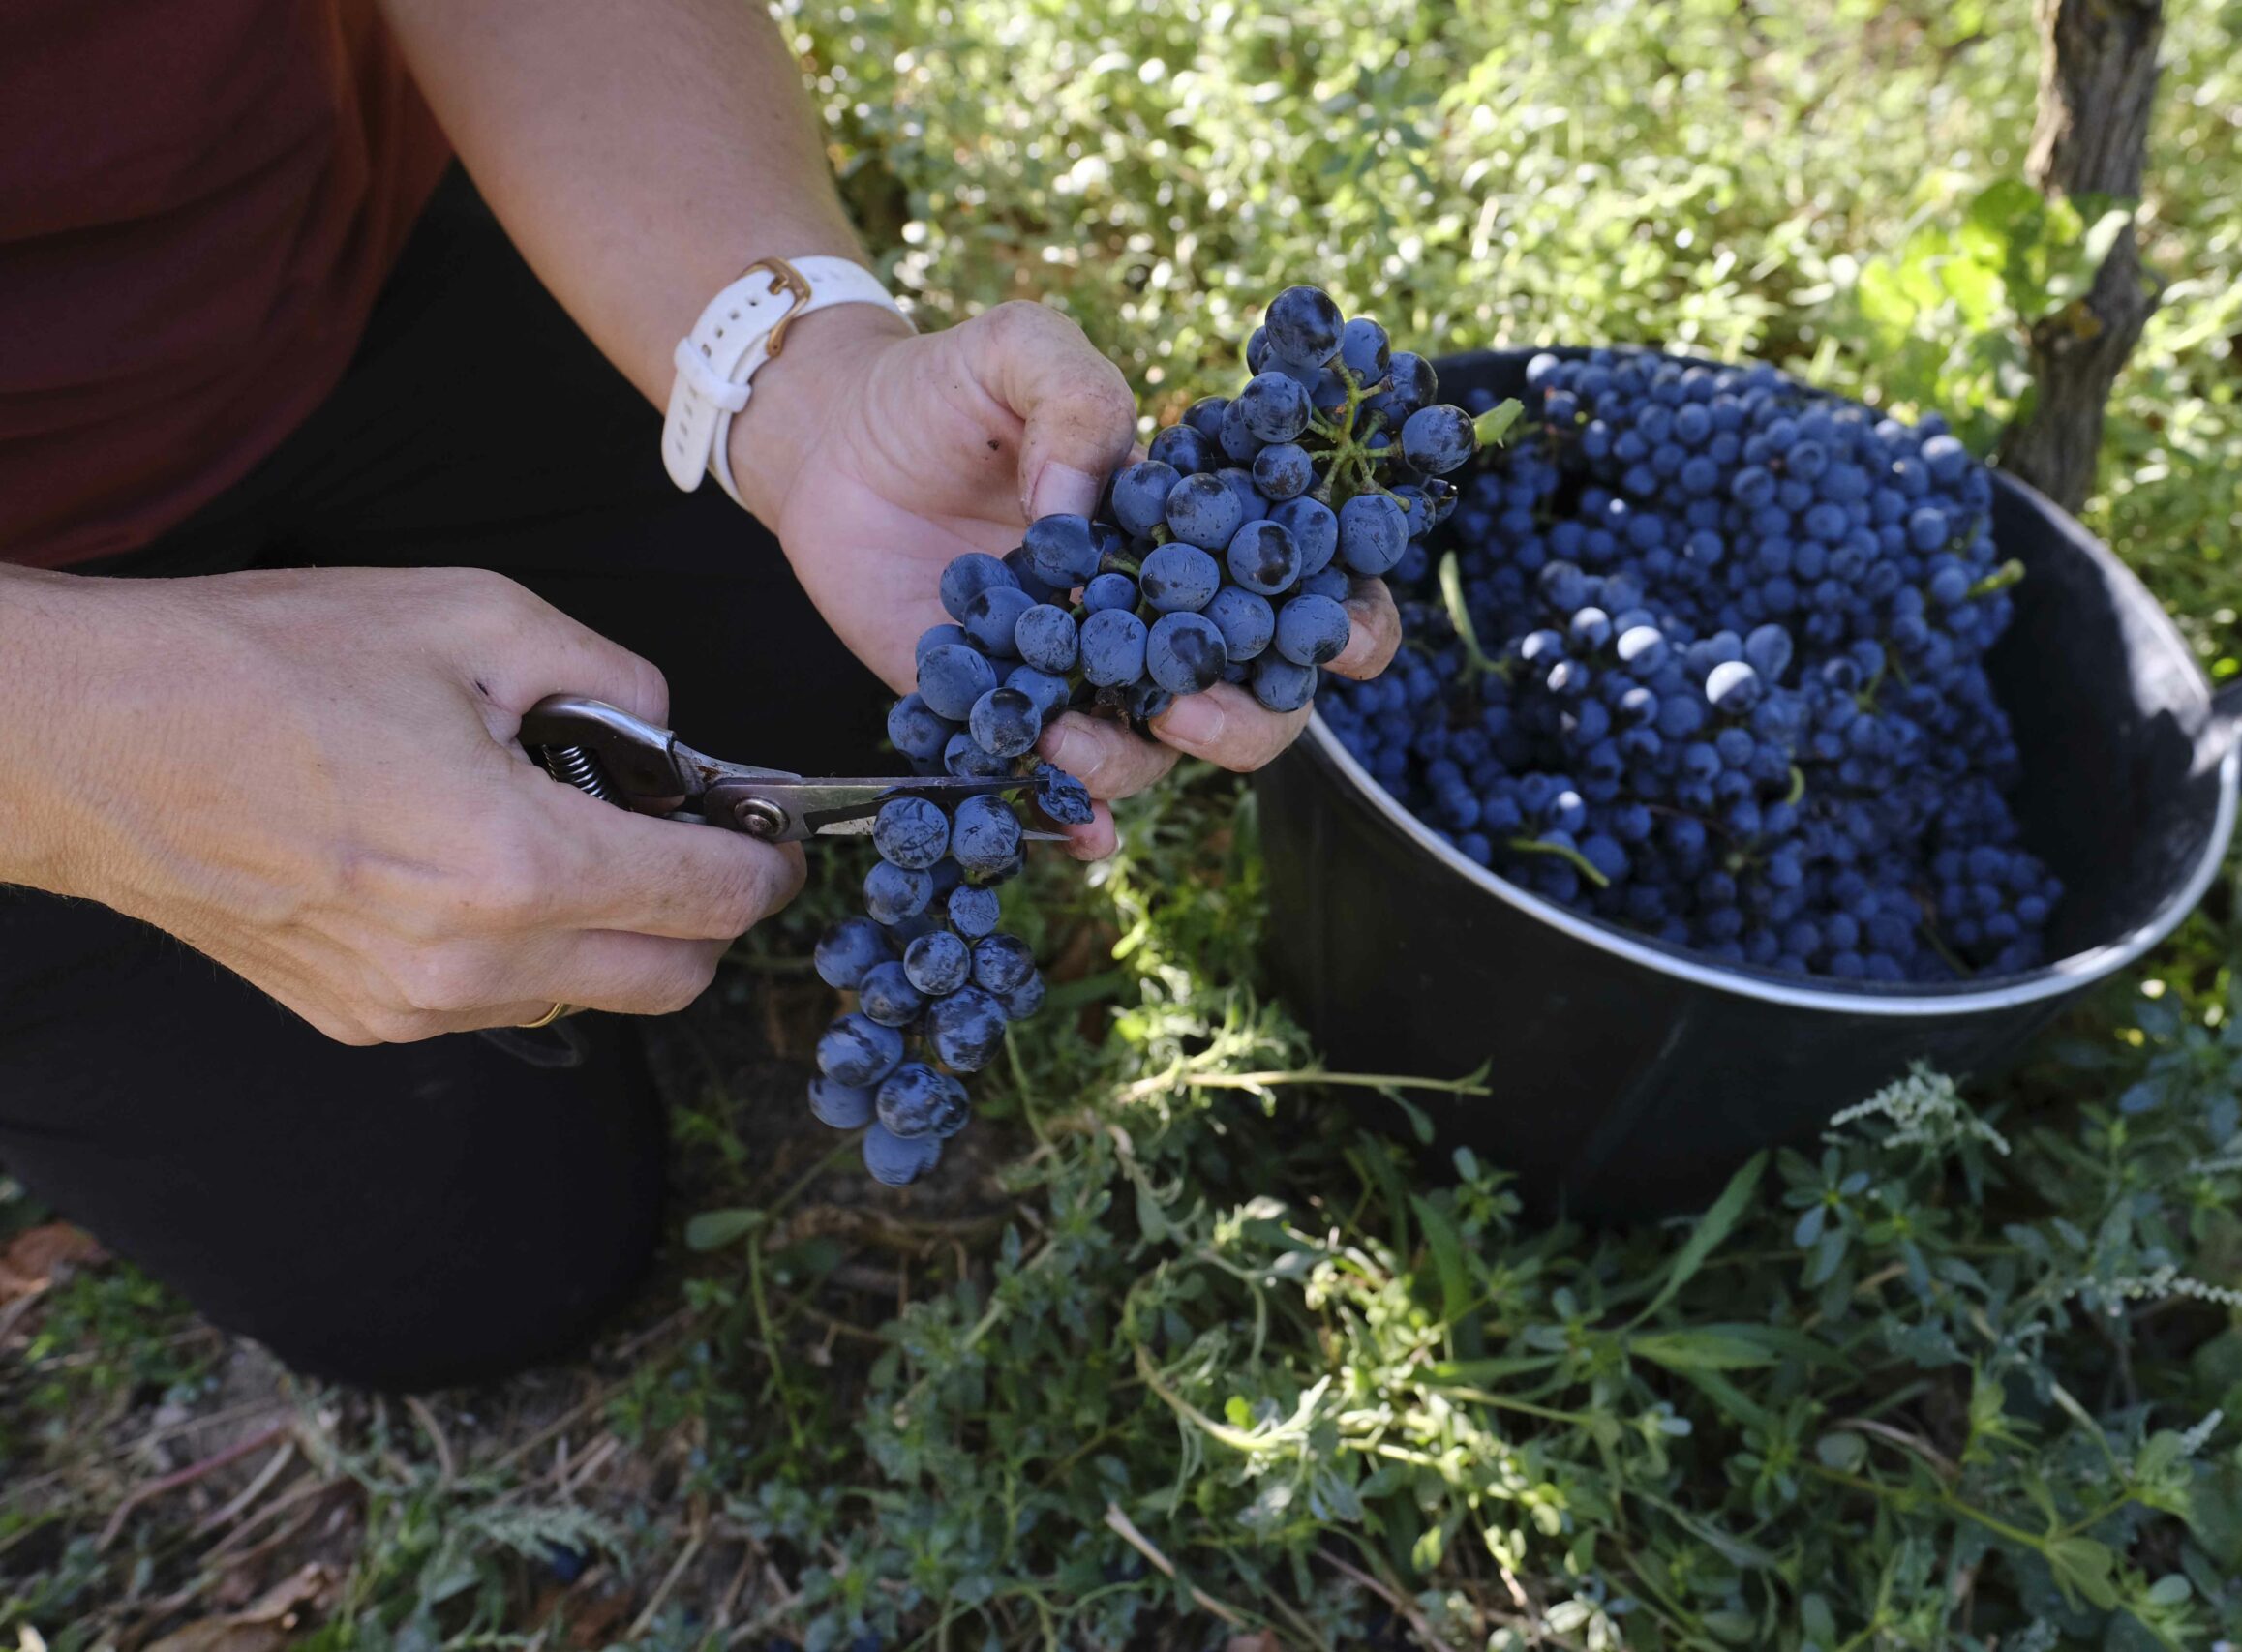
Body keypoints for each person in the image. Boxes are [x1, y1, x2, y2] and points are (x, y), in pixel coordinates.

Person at [0, 0, 1399, 1392]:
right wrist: (110, 749)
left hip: (335, 267)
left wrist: (799, 386)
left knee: (847, 668)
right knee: (465, 1262)